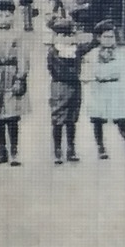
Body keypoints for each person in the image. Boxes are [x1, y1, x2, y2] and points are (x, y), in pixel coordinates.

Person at [85, 20, 125, 159]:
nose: (109, 40)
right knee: (98, 118)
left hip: (116, 89)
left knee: (122, 119)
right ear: (98, 38)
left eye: (112, 37)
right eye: (106, 37)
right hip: (99, 88)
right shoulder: (93, 54)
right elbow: (89, 72)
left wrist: (124, 90)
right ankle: (101, 148)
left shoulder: (120, 54)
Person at [44, 17, 99, 164]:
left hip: (74, 87)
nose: (65, 38)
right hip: (60, 87)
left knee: (71, 119)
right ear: (56, 36)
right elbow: (56, 70)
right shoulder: (53, 52)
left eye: (68, 35)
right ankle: (57, 150)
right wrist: (75, 74)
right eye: (61, 35)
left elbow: (91, 45)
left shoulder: (76, 50)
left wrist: (97, 33)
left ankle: (71, 148)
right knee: (58, 119)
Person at [0, 27, 32, 166]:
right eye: (0, 14)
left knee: (12, 115)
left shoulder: (17, 35)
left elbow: (23, 57)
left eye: (8, 14)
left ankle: (14, 152)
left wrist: (20, 78)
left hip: (11, 74)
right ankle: (1, 151)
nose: (4, 17)